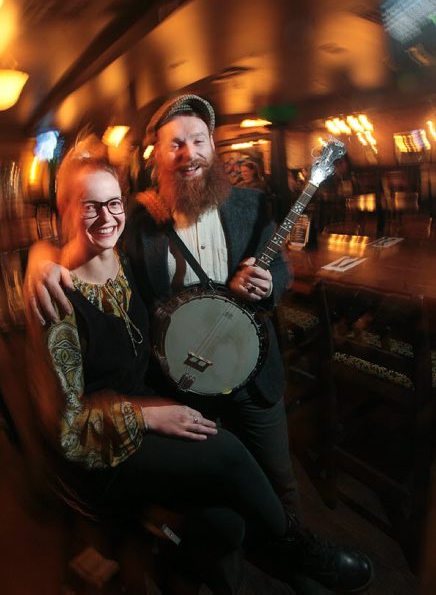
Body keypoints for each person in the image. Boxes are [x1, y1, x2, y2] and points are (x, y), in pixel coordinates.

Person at [25, 98, 373, 594]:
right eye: (175, 144)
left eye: (198, 140)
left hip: (254, 372)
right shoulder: (139, 220)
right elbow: (82, 244)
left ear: (214, 146)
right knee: (221, 492)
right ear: (157, 156)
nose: (188, 153)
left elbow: (282, 268)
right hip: (182, 383)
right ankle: (230, 578)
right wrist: (38, 260)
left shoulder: (252, 206)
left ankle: (300, 565)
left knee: (279, 480)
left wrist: (269, 285)